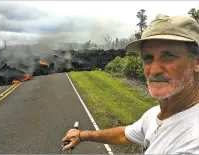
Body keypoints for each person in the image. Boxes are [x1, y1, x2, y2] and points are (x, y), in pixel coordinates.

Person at [62, 14, 199, 154]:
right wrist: (81, 135)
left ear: (196, 62)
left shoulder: (193, 141)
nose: (154, 70)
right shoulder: (155, 115)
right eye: (148, 58)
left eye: (169, 56)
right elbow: (124, 134)